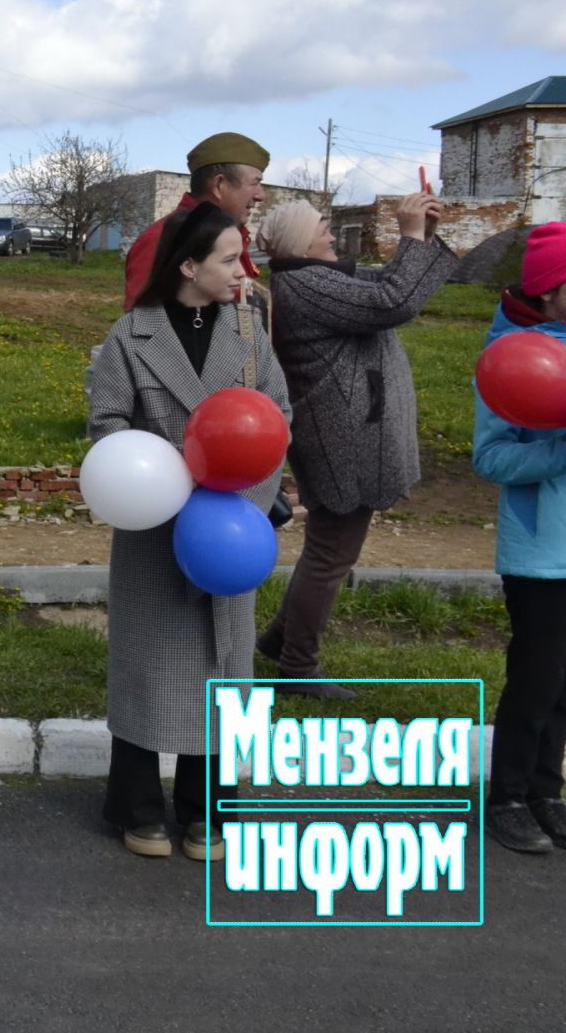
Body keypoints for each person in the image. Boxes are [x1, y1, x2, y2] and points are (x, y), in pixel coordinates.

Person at [88, 202, 291, 860]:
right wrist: (158, 477)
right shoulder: (131, 334)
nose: (242, 271)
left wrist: (248, 501)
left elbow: (277, 417)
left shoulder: (250, 331)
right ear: (188, 265)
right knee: (148, 669)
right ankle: (138, 806)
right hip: (154, 532)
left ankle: (209, 811)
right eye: (230, 259)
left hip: (231, 530)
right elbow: (107, 421)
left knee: (223, 670)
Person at [252, 194, 457, 698]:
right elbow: (393, 301)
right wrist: (410, 238)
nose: (330, 231)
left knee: (330, 548)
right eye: (322, 225)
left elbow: (394, 286)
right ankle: (298, 668)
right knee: (330, 555)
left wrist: (423, 239)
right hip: (342, 440)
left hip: (348, 435)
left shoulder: (318, 279)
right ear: (301, 239)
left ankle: (283, 638)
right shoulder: (304, 284)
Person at [474, 222, 566, 855]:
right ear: (553, 289)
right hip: (540, 552)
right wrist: (561, 449)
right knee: (536, 679)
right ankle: (507, 796)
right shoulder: (511, 355)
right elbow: (493, 459)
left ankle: (547, 792)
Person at [123, 133, 270, 310]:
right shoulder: (163, 239)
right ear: (219, 186)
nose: (261, 196)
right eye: (255, 183)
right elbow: (145, 327)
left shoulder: (232, 233)